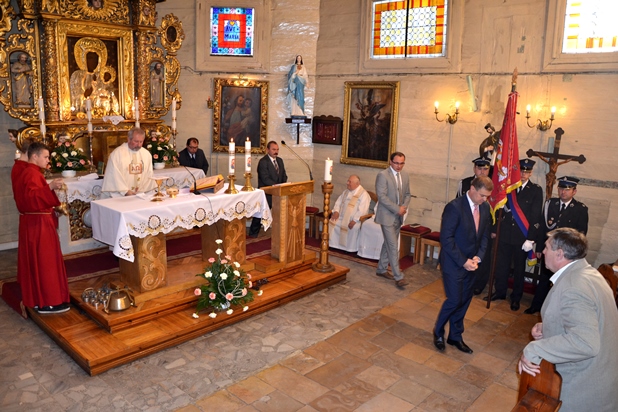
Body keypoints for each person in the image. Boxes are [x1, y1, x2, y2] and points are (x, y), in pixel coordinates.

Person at [519, 228, 618, 412]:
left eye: (547, 247)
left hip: (584, 388)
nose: (543, 251)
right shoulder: (587, 273)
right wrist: (548, 326)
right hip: (601, 377)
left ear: (560, 254)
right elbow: (587, 319)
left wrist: (534, 348)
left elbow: (585, 343)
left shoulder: (574, 285)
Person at [433, 176, 493, 354]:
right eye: (482, 195)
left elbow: (484, 236)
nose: (485, 199)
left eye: (487, 196)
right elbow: (446, 239)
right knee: (454, 300)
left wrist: (478, 258)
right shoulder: (454, 207)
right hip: (454, 263)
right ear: (472, 189)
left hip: (472, 263)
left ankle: (455, 336)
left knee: (465, 299)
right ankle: (438, 332)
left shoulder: (485, 207)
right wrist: (463, 261)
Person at [12, 142, 70, 314]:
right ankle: (48, 301)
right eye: (45, 157)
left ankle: (41, 300)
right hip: (39, 225)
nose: (47, 160)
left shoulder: (31, 172)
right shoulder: (31, 173)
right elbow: (30, 199)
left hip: (36, 222)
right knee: (46, 264)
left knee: (40, 263)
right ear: (35, 156)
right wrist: (50, 187)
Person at [524, 176, 588, 314]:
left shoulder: (580, 209)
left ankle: (553, 310)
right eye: (561, 189)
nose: (563, 192)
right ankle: (536, 305)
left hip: (566, 254)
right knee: (544, 278)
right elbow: (542, 227)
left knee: (561, 282)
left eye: (567, 189)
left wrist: (572, 255)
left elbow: (581, 234)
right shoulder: (550, 204)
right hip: (550, 250)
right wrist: (540, 248)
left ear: (574, 191)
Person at [489, 159, 543, 311]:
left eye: (527, 172)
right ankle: (500, 291)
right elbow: (498, 209)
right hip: (505, 233)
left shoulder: (535, 190)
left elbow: (535, 216)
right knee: (502, 266)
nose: (523, 174)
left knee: (519, 269)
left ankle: (516, 298)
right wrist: (495, 229)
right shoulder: (508, 187)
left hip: (522, 237)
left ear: (531, 173)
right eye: (521, 171)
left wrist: (531, 239)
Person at [374, 152, 411, 289]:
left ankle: (381, 269)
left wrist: (403, 207)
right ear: (390, 162)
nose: (399, 166)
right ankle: (398, 277)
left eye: (402, 163)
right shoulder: (383, 175)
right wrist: (397, 208)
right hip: (387, 216)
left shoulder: (405, 175)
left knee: (388, 244)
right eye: (396, 163)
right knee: (393, 246)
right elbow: (382, 197)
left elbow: (408, 194)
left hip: (398, 216)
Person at [101, 128, 155, 198]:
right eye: (136, 141)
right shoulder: (117, 154)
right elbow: (114, 175)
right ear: (129, 139)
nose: (139, 145)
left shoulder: (146, 154)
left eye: (141, 142)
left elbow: (149, 174)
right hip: (121, 196)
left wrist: (142, 190)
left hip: (141, 195)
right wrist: (125, 191)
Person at [248, 141, 287, 237]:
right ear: (267, 150)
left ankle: (279, 234)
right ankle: (253, 233)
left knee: (279, 213)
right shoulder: (263, 162)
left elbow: (284, 175)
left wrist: (283, 184)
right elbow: (265, 178)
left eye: (277, 149)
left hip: (278, 192)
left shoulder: (280, 161)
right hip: (266, 193)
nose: (276, 151)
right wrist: (276, 186)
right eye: (273, 149)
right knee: (259, 214)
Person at [328, 175, 371, 252]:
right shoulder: (346, 192)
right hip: (341, 217)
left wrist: (354, 220)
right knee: (332, 221)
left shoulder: (363, 194)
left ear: (357, 184)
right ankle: (333, 245)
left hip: (354, 219)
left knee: (354, 228)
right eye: (348, 181)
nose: (347, 183)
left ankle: (350, 249)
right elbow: (338, 202)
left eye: (350, 182)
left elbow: (363, 210)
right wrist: (336, 211)